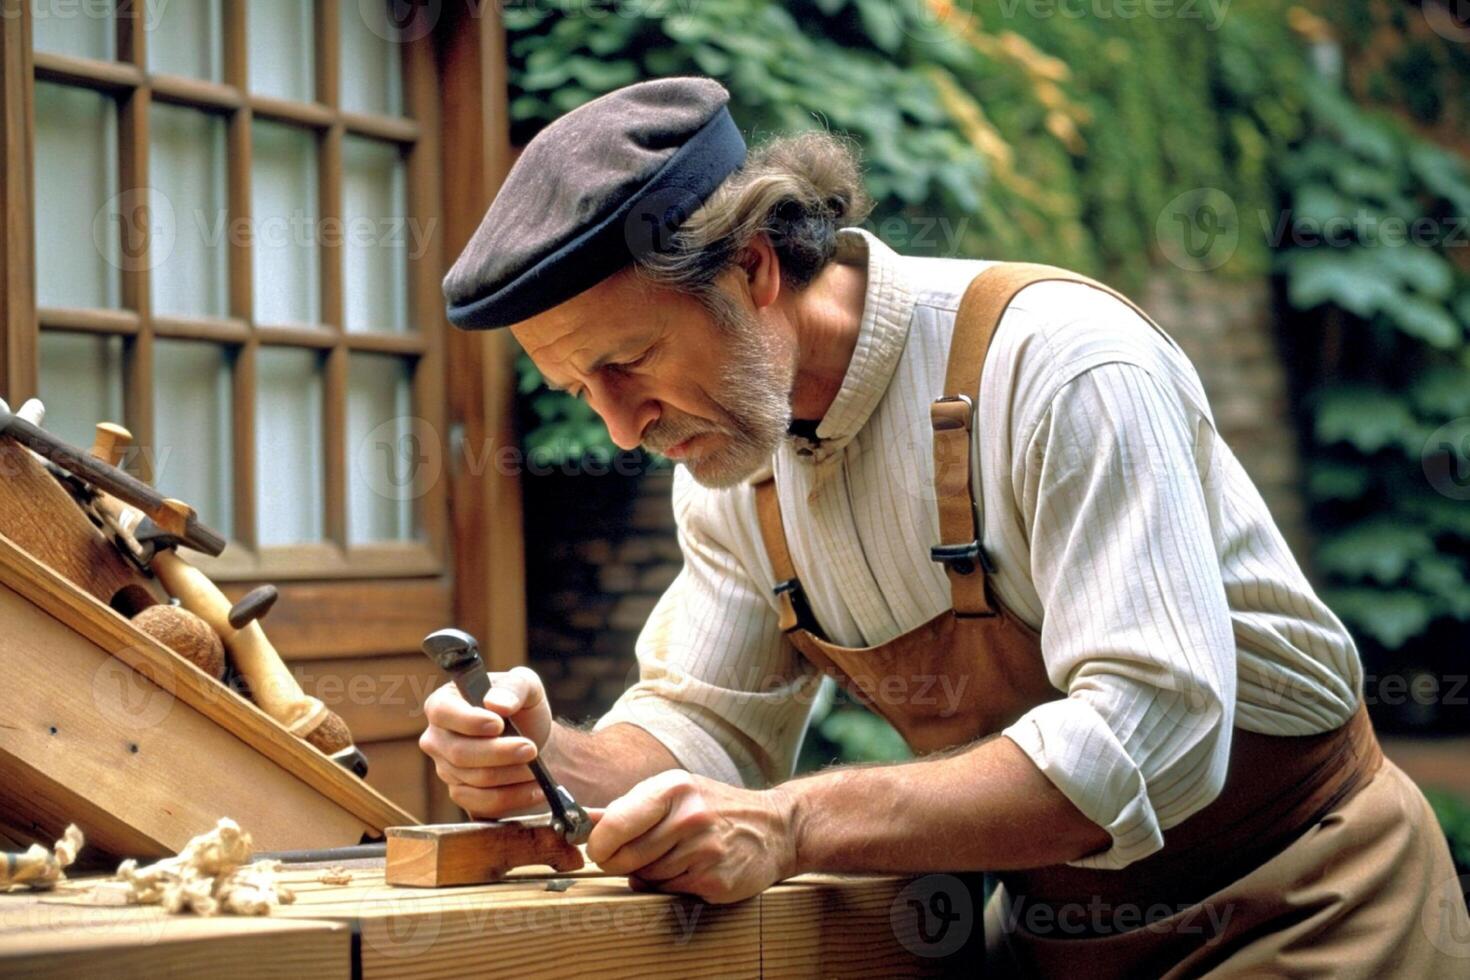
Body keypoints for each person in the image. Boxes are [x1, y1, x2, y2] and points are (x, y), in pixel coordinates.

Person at [420, 77, 1470, 975]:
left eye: (628, 363)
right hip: (1059, 943)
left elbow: (1151, 732)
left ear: (753, 266)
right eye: (575, 389)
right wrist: (546, 754)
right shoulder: (733, 469)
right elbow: (709, 733)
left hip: (1310, 899)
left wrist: (795, 823)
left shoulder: (1063, 367)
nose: (616, 429)